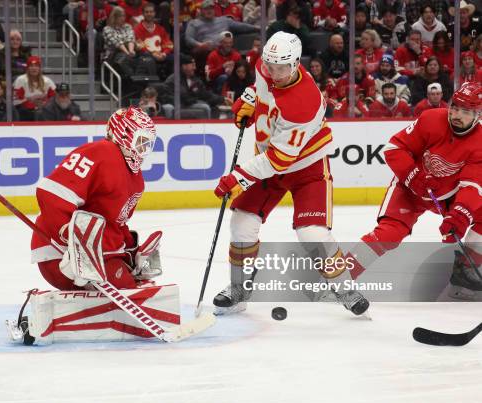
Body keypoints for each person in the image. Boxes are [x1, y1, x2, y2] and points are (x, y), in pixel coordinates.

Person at [212, 31, 369, 316]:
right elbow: (259, 84)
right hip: (269, 161)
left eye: (280, 68)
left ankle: (344, 288)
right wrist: (249, 100)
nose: (273, 73)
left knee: (312, 233)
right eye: (270, 66)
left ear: (296, 64)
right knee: (242, 222)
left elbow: (279, 160)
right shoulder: (267, 66)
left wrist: (238, 176)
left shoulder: (303, 101)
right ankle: (240, 286)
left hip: (306, 167)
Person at [343, 82, 482, 301]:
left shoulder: (480, 141)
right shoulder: (431, 119)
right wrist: (413, 176)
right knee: (389, 234)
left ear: (478, 115)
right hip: (409, 188)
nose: (456, 114)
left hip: (447, 195)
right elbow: (394, 148)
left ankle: (464, 273)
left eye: (465, 111)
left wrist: (459, 216)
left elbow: (473, 185)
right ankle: (339, 276)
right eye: (455, 107)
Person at [30, 106, 161, 291]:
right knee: (126, 288)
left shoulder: (136, 178)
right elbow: (52, 192)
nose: (144, 148)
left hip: (100, 254)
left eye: (148, 143)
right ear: (124, 135)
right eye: (141, 141)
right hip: (62, 256)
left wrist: (132, 254)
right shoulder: (101, 152)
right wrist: (69, 238)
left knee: (133, 282)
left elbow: (116, 224)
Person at [161, 54, 232, 119]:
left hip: (189, 103)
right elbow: (184, 97)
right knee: (205, 107)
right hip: (176, 104)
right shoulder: (174, 79)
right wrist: (196, 97)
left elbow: (205, 94)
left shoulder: (195, 79)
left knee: (214, 107)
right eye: (192, 65)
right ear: (184, 66)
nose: (194, 68)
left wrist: (222, 99)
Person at [13, 56, 56, 121]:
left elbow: (54, 99)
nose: (34, 68)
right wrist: (32, 104)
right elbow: (16, 101)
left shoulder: (47, 81)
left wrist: (44, 104)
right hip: (25, 113)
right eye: (31, 66)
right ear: (27, 68)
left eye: (36, 66)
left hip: (44, 111)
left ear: (39, 68)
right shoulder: (20, 80)